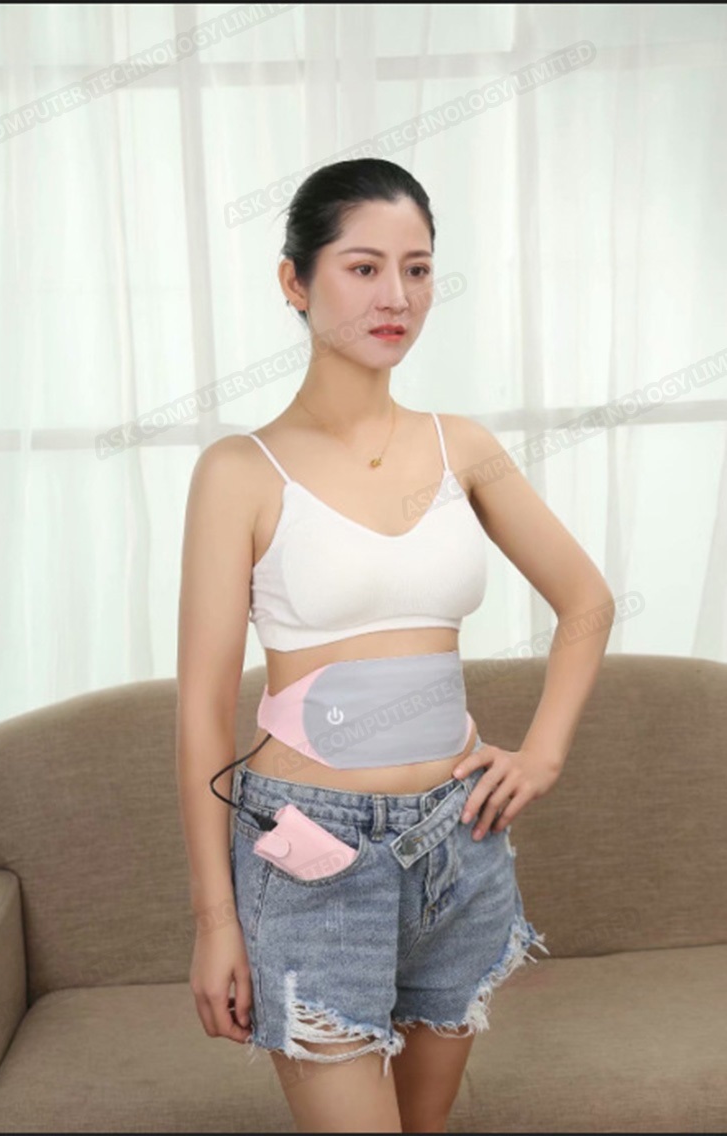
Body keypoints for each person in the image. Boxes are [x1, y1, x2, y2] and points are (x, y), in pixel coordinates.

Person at [177, 158, 615, 1134]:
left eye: (416, 269)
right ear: (295, 281)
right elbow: (202, 712)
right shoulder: (240, 471)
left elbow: (586, 600)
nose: (397, 296)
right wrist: (215, 922)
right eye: (364, 267)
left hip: (460, 847)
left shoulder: (464, 447)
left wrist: (542, 753)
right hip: (312, 857)